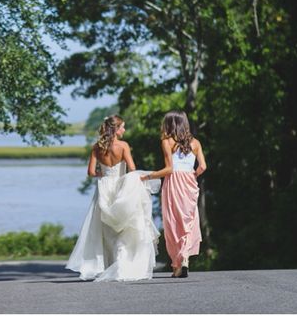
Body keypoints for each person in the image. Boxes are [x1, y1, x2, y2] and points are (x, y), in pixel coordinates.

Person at [67, 115, 160, 281]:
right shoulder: (123, 146)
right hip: (121, 187)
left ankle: (109, 266)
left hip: (104, 188)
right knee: (124, 226)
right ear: (116, 129)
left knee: (106, 230)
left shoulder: (97, 147)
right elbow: (132, 169)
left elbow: (90, 172)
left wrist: (103, 174)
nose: (124, 130)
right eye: (122, 127)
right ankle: (122, 265)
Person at [141, 110, 207, 278]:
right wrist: (193, 175)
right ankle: (185, 259)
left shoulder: (167, 141)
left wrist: (147, 176)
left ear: (170, 124)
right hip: (190, 182)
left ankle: (177, 265)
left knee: (172, 223)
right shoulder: (196, 143)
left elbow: (169, 169)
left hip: (173, 182)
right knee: (188, 221)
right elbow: (203, 167)